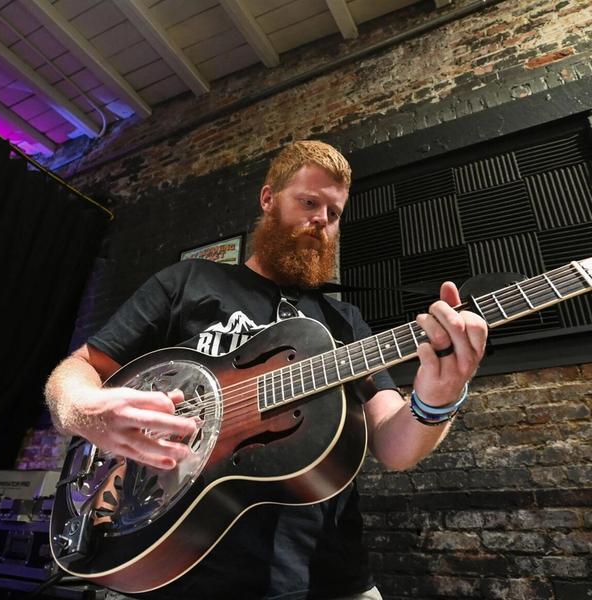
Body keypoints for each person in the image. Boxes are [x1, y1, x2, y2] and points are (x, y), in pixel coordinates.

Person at [45, 141, 488, 600]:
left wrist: (441, 396)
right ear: (268, 198)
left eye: (333, 214)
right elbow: (80, 369)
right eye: (309, 202)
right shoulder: (189, 282)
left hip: (327, 576)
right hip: (179, 568)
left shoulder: (344, 321)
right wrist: (80, 408)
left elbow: (394, 446)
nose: (321, 220)